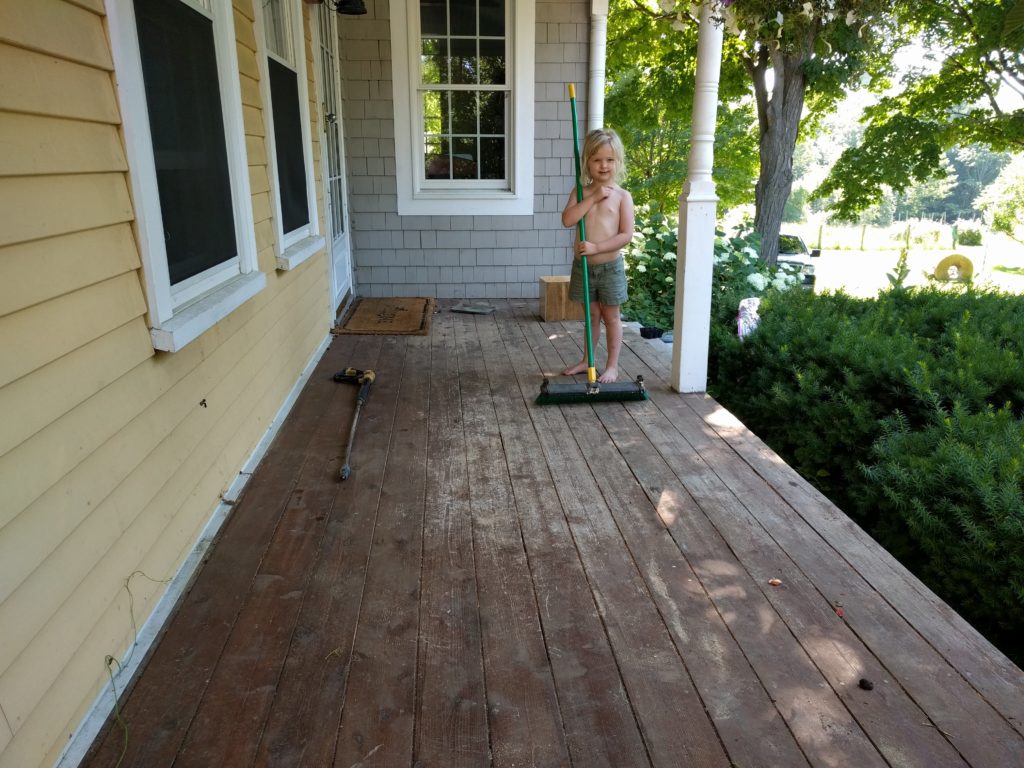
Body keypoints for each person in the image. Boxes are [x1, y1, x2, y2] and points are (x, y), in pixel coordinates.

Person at [560, 128, 634, 383]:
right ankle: (587, 360)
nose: (604, 165)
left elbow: (626, 235)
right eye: (597, 159)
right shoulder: (580, 192)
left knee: (612, 317)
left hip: (610, 267)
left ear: (618, 162)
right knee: (591, 317)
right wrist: (591, 198)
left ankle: (612, 366)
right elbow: (568, 220)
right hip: (583, 268)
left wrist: (596, 248)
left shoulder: (623, 197)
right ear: (587, 162)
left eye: (610, 160)